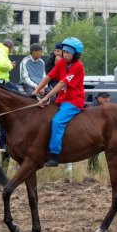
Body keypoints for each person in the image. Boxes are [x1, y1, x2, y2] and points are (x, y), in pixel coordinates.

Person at [34, 37, 85, 167]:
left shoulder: (78, 66)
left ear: (76, 54)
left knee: (57, 121)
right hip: (61, 99)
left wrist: (46, 97)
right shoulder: (62, 63)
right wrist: (36, 91)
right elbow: (49, 77)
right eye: (64, 52)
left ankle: (55, 155)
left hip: (74, 102)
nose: (65, 54)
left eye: (68, 52)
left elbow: (62, 83)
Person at [87, 91, 110, 172]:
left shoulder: (106, 107)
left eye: (107, 97)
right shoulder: (92, 107)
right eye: (104, 97)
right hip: (91, 132)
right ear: (98, 98)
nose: (107, 99)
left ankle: (93, 168)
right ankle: (93, 167)